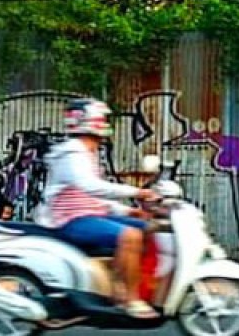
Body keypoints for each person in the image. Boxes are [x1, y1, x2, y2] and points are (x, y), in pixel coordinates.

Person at [38, 98, 158, 319]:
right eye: (102, 118)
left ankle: (123, 280)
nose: (105, 124)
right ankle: (129, 299)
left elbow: (91, 197)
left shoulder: (86, 153)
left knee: (147, 228)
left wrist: (126, 211)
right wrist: (136, 193)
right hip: (70, 221)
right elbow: (91, 187)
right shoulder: (72, 153)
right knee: (130, 236)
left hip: (90, 215)